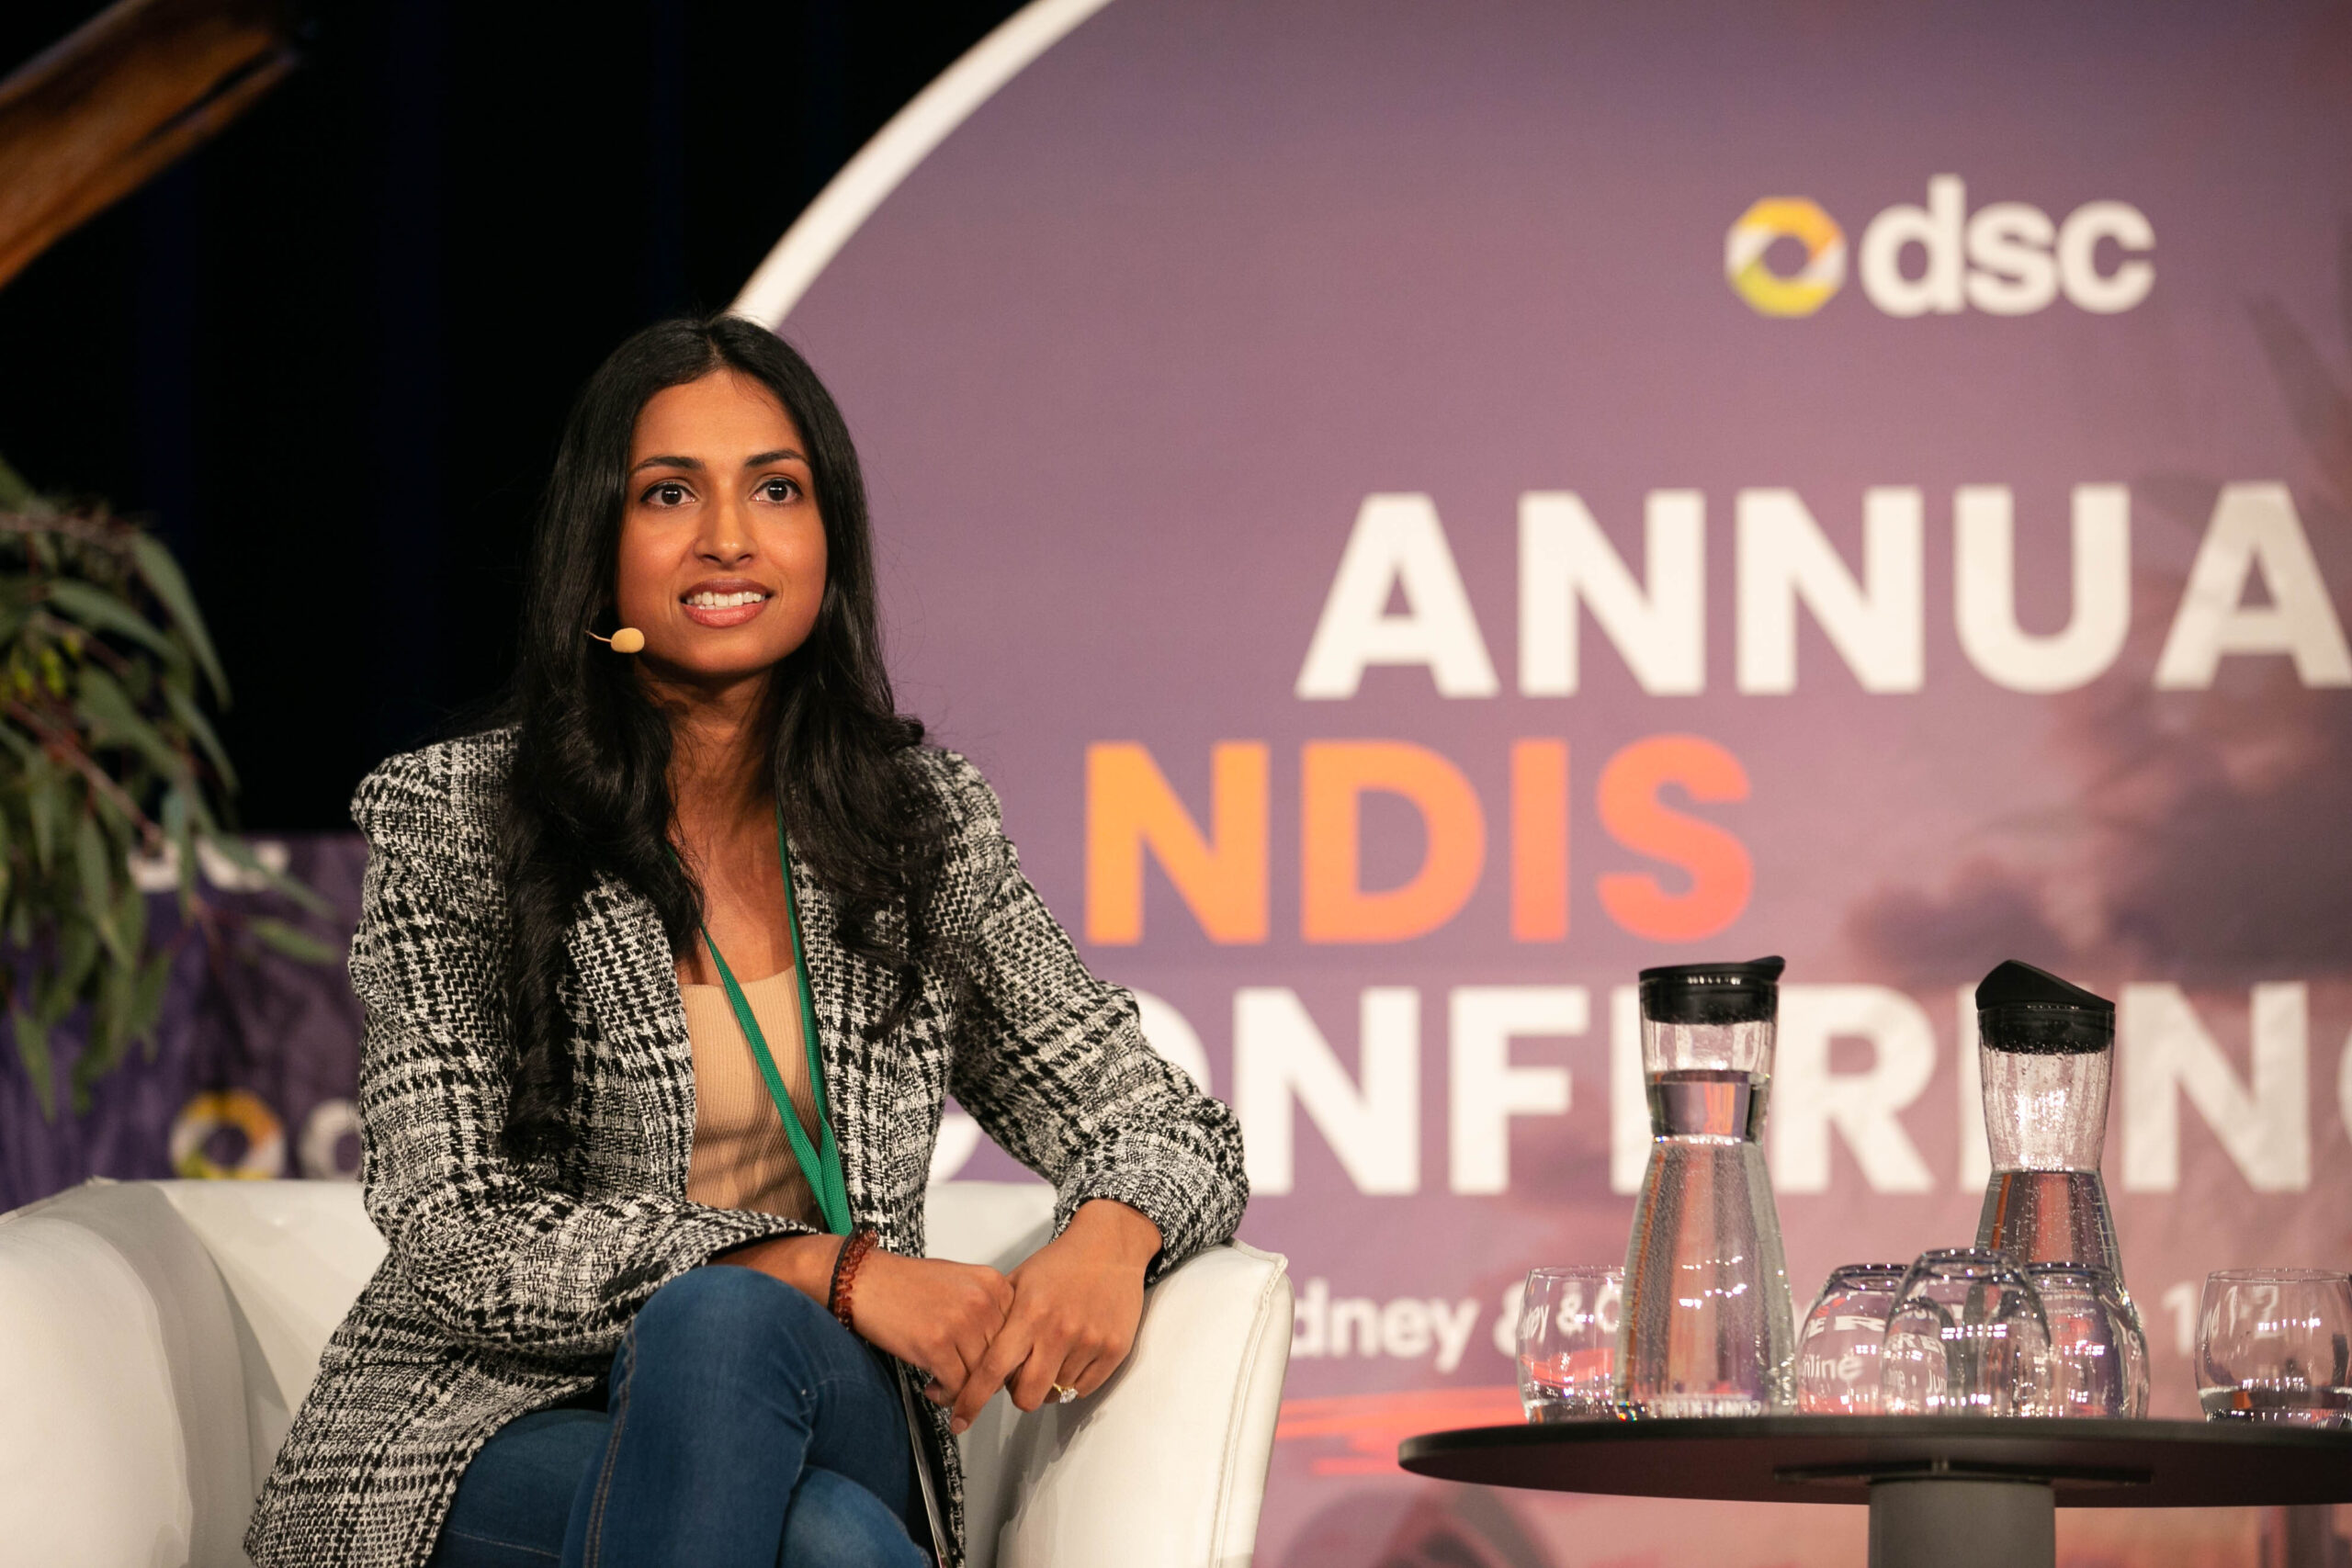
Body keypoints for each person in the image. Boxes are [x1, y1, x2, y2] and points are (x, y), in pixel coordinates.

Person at [244, 316, 1250, 1568]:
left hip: (824, 1396)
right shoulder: (462, 821)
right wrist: (824, 1267)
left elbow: (1160, 1119)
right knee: (833, 1543)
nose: (728, 536)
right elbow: (456, 1229)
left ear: (828, 541)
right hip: (486, 1422)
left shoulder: (919, 828)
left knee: (728, 1338)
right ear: (600, 551)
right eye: (671, 494)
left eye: (776, 489)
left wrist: (1112, 1232)